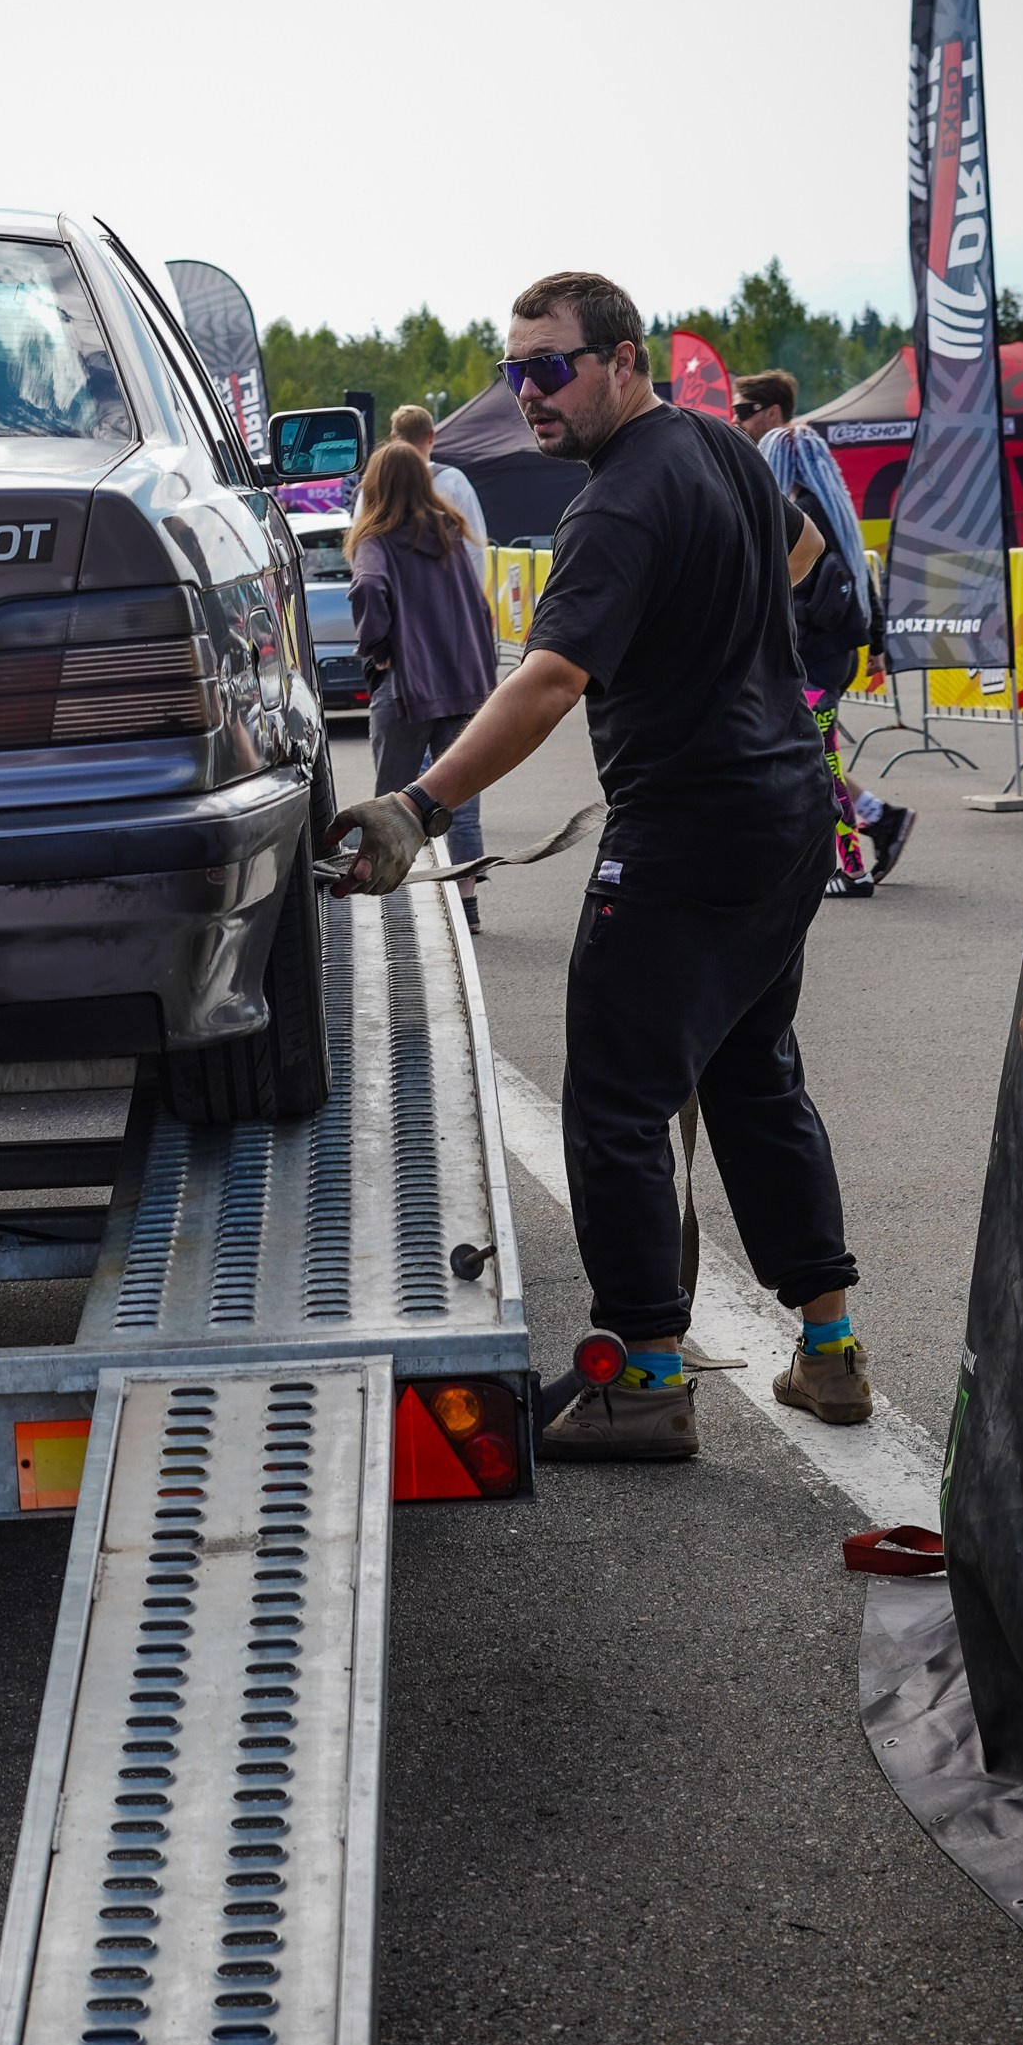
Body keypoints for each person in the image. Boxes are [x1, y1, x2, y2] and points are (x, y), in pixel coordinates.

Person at [324, 271, 874, 1461]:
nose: (527, 392)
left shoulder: (615, 504)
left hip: (689, 828)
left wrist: (418, 803)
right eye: (512, 369)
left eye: (549, 367)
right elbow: (805, 555)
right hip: (783, 804)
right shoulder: (724, 451)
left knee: (617, 1099)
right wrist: (723, 659)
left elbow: (550, 678)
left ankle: (641, 1376)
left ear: (623, 362)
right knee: (749, 1074)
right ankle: (829, 1352)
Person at [733, 370, 912, 893]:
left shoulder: (799, 513)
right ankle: (880, 819)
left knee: (819, 757)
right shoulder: (831, 510)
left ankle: (850, 865)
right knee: (811, 754)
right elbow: (860, 578)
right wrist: (874, 643)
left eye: (745, 412)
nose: (738, 421)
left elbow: (805, 592)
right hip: (826, 655)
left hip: (813, 655)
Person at [345, 440, 498, 931]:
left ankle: (390, 907)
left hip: (407, 686)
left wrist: (376, 644)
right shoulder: (450, 531)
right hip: (462, 684)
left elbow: (368, 588)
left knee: (391, 804)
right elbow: (477, 605)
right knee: (461, 803)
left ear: (375, 486)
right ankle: (468, 908)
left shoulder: (377, 539)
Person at [390, 402, 489, 553]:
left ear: (394, 438)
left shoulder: (375, 486)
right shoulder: (454, 481)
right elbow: (475, 545)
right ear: (431, 436)